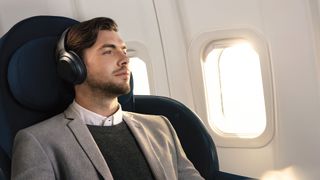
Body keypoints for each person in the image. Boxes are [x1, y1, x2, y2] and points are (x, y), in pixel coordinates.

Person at [11, 17, 204, 180]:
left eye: (125, 50)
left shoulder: (161, 127)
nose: (125, 59)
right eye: (109, 51)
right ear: (73, 66)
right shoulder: (38, 141)